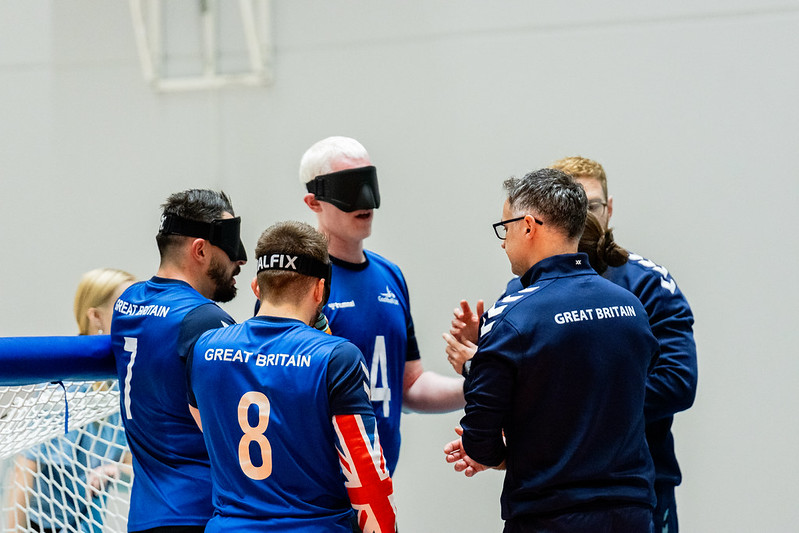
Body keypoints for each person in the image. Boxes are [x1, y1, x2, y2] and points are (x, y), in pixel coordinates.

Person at [447, 156, 698, 532]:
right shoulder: (628, 306)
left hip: (559, 506)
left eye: (505, 229)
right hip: (627, 504)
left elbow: (676, 383)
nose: (503, 243)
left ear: (529, 226)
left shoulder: (518, 312)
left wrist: (509, 439)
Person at [187, 220, 397, 532]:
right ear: (320, 290)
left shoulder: (205, 348)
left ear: (256, 287)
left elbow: (211, 432)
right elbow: (366, 475)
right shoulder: (336, 357)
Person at [299, 135, 464, 474]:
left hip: (379, 482)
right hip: (319, 487)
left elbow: (409, 385)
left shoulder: (390, 276)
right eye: (348, 187)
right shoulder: (298, 280)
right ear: (314, 202)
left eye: (367, 183)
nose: (365, 200)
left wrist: (479, 385)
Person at [109, 189, 247, 532]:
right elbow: (236, 426)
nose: (241, 260)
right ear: (200, 250)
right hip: (200, 513)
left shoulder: (127, 303)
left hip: (145, 515)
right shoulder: (204, 319)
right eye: (231, 246)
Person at [6, 268, 135, 533]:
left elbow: (129, 461)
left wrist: (114, 470)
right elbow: (25, 468)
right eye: (125, 308)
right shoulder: (63, 390)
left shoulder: (125, 383)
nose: (136, 315)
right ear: (96, 317)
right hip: (43, 524)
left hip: (89, 523)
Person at [443, 211, 628, 375]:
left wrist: (474, 365)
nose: (504, 244)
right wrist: (487, 339)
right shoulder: (628, 304)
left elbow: (540, 389)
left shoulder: (521, 305)